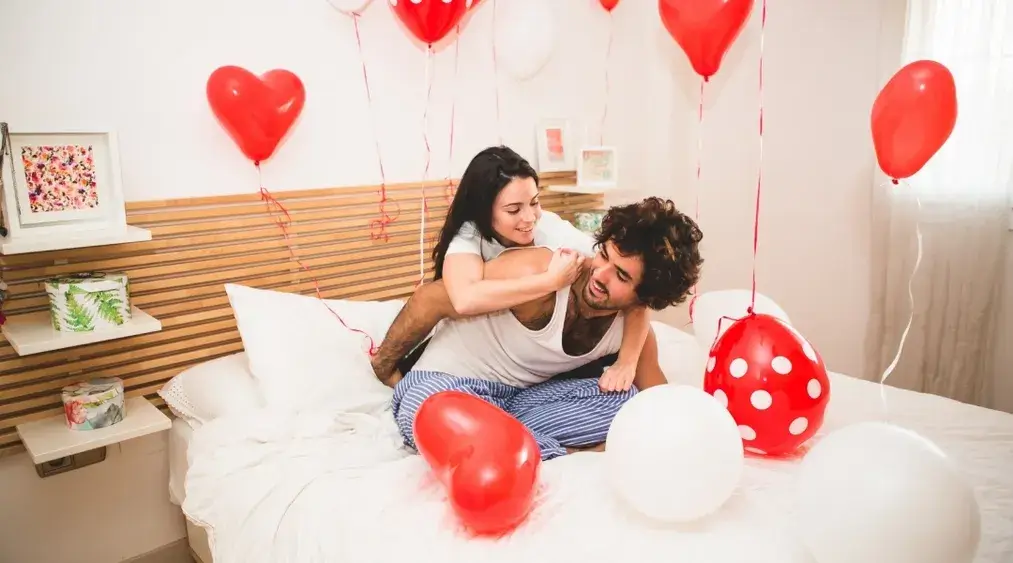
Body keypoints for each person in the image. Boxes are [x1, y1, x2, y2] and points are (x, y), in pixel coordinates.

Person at [371, 197, 704, 460]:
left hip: (520, 401)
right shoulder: (541, 271)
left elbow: (660, 400)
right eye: (604, 254)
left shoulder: (634, 328)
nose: (600, 273)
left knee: (626, 401)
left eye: (621, 276)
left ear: (644, 298)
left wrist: (697, 431)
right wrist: (384, 367)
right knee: (424, 411)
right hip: (451, 384)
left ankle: (504, 443)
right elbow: (430, 299)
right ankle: (555, 452)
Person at [420, 145, 652, 393]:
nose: (530, 217)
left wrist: (627, 362)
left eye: (534, 202)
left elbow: (632, 287)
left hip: (544, 356)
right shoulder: (469, 236)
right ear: (483, 210)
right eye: (514, 210)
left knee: (621, 390)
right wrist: (550, 281)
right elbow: (463, 300)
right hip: (487, 360)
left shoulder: (549, 227)